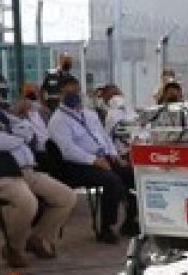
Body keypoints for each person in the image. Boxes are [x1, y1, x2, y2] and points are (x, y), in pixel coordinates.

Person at [0, 76, 77, 267]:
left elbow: (27, 128)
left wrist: (13, 135)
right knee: (28, 203)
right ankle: (13, 248)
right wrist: (17, 137)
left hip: (26, 171)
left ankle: (39, 237)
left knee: (67, 197)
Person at [47, 74, 138, 244]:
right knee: (113, 181)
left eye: (76, 91)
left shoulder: (89, 114)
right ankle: (106, 228)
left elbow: (103, 136)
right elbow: (68, 150)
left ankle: (130, 221)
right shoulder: (57, 121)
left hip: (102, 158)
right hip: (76, 165)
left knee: (133, 176)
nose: (73, 95)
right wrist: (93, 160)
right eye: (68, 93)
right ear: (60, 95)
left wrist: (114, 155)